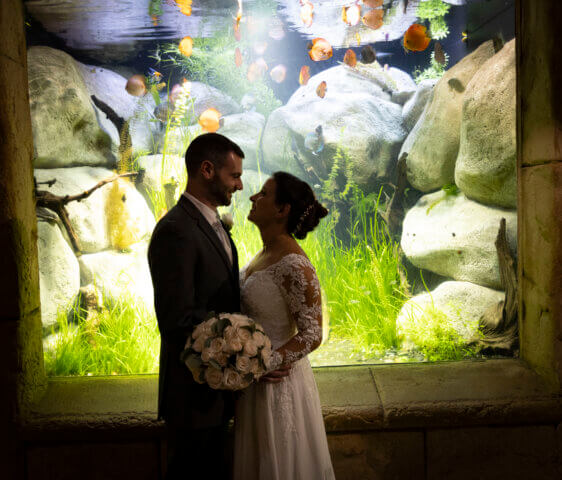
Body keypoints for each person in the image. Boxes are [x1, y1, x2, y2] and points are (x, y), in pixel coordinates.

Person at [147, 132, 245, 479]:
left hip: (216, 396)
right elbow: (178, 319)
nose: (240, 185)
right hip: (193, 398)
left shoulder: (209, 221)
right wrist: (241, 341)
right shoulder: (176, 229)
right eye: (234, 176)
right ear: (207, 170)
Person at [234, 171, 335, 479]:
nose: (253, 197)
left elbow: (312, 333)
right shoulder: (264, 253)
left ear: (282, 210)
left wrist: (268, 362)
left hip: (278, 384)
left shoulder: (295, 263)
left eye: (263, 194)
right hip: (255, 381)